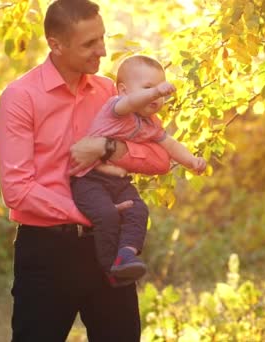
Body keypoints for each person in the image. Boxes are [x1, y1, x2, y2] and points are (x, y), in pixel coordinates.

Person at [0, 0, 170, 340]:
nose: (102, 51)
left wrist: (110, 148)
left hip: (108, 249)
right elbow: (17, 189)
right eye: (90, 43)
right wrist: (94, 214)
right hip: (47, 253)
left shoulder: (112, 93)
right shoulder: (20, 97)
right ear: (56, 44)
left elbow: (161, 159)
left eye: (102, 38)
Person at [71, 55, 206, 287]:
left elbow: (170, 145)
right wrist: (156, 92)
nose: (157, 95)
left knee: (138, 211)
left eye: (160, 91)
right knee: (107, 215)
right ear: (123, 90)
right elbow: (131, 102)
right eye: (148, 87)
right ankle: (110, 270)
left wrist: (191, 161)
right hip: (89, 180)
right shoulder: (116, 107)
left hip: (119, 183)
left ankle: (126, 254)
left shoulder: (151, 123)